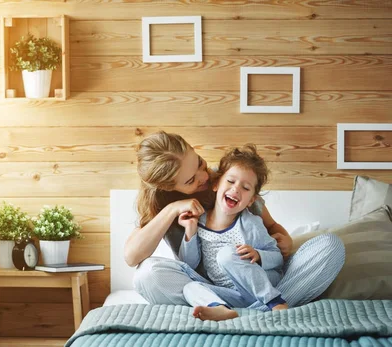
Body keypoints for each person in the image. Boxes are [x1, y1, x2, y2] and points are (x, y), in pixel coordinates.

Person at [125, 131, 345, 313]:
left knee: (330, 245)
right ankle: (250, 308)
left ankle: (265, 303)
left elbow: (272, 229)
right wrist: (172, 210)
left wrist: (283, 238)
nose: (204, 177)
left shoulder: (229, 184)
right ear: (169, 188)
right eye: (191, 180)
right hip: (213, 288)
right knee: (147, 275)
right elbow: (132, 257)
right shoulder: (165, 207)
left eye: (200, 164)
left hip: (259, 278)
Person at [178, 144, 287, 321]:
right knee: (190, 288)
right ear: (215, 185)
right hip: (234, 294)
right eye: (230, 181)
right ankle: (220, 308)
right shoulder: (200, 221)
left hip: (258, 285)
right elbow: (190, 263)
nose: (236, 189)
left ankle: (275, 302)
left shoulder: (251, 224)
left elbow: (277, 258)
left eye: (245, 188)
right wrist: (190, 231)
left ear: (251, 200)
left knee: (227, 255)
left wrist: (259, 255)